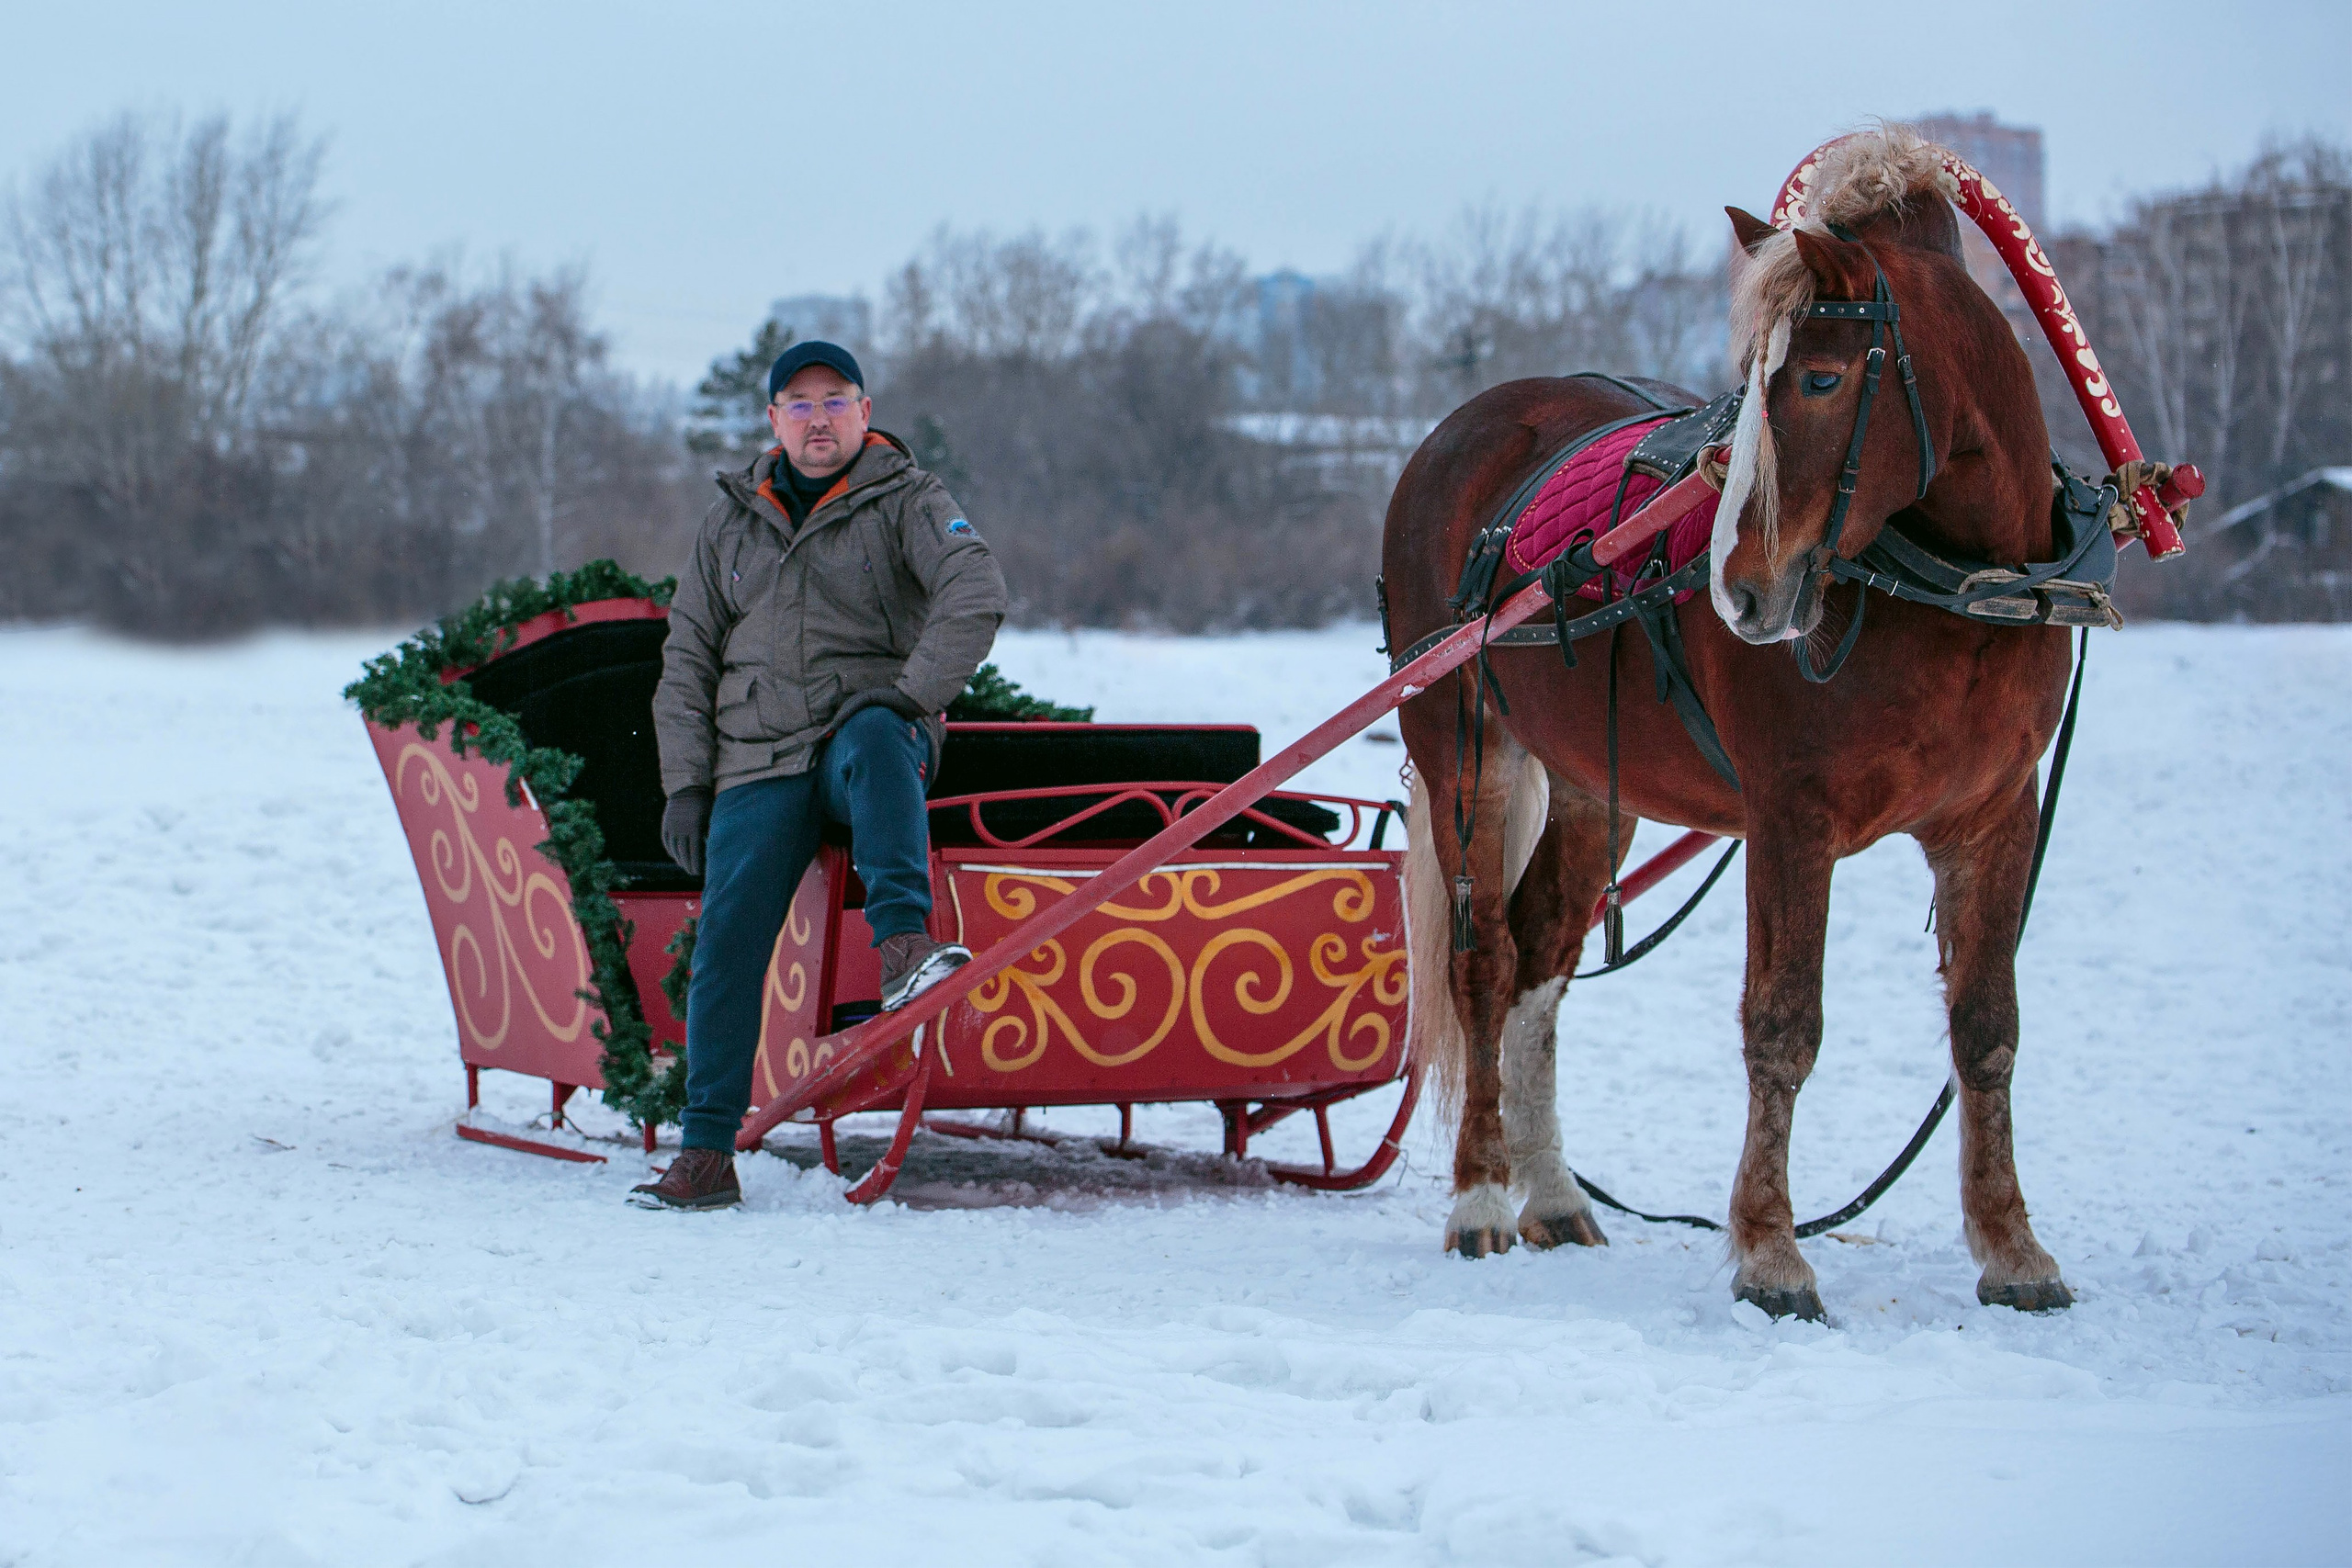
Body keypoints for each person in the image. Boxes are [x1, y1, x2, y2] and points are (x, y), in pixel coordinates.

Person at [633, 340, 1007, 1211]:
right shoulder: (729, 521)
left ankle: (904, 945)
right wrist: (686, 784)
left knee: (876, 733)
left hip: (862, 743)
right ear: (774, 420)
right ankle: (707, 1154)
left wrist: (911, 695)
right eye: (799, 404)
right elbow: (687, 656)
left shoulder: (909, 498)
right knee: (726, 942)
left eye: (835, 400)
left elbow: (976, 587)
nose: (818, 419)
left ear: (865, 412)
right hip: (758, 755)